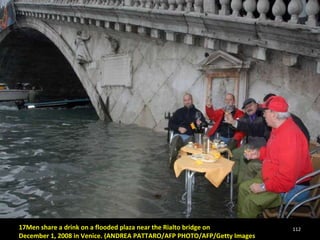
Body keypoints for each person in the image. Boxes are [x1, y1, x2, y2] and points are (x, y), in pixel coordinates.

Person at [237, 96, 313, 218]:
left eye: (265, 112)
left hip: (292, 187)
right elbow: (272, 151)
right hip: (275, 177)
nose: (263, 115)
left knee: (250, 202)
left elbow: (286, 180)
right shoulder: (278, 128)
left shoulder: (290, 137)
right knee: (243, 188)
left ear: (273, 114)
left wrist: (262, 187)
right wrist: (257, 154)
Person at [224, 98, 271, 184]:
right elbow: (238, 125)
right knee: (235, 153)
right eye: (246, 107)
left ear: (256, 105)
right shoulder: (245, 117)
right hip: (250, 144)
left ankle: (241, 184)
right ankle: (234, 177)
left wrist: (235, 123)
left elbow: (254, 126)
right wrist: (232, 122)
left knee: (243, 158)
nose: (248, 108)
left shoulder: (263, 115)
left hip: (263, 146)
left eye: (250, 105)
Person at [168, 93, 207, 167]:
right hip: (179, 135)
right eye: (185, 100)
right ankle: (172, 164)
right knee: (176, 140)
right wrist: (178, 128)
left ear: (192, 100)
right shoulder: (178, 112)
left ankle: (189, 166)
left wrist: (200, 124)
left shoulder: (197, 112)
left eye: (188, 100)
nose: (187, 102)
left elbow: (205, 124)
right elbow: (170, 124)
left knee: (191, 141)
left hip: (190, 136)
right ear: (183, 102)